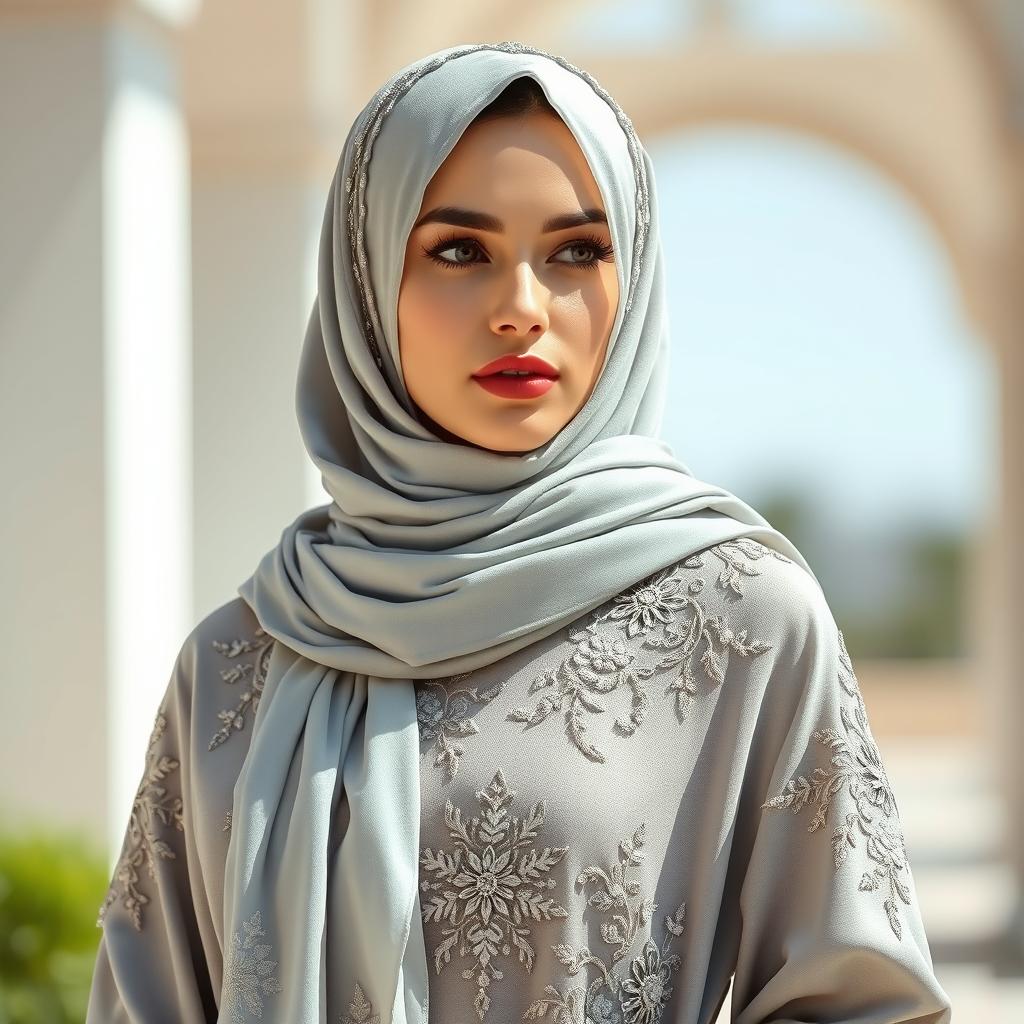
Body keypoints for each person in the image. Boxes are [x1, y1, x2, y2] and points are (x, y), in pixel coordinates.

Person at [86, 41, 953, 1024]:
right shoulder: (242, 656)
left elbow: (863, 1002)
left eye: (577, 251)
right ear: (368, 284)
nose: (521, 309)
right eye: (460, 251)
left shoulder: (741, 620)